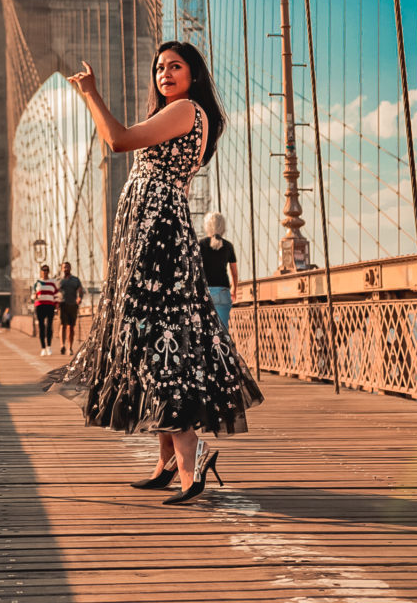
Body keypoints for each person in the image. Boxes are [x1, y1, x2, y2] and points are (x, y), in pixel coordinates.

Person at [44, 41, 263, 505]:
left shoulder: (185, 110)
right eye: (159, 67)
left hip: (156, 236)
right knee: (149, 336)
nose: (164, 73)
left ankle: (191, 457)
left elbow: (119, 140)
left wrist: (90, 95)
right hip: (151, 232)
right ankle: (166, 460)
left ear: (194, 75)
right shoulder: (184, 114)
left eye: (175, 66)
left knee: (159, 337)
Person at [199, 213, 238, 329]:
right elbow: (234, 273)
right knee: (223, 329)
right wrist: (234, 290)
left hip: (206, 292)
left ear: (207, 226)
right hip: (223, 292)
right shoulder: (228, 246)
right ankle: (223, 346)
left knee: (206, 329)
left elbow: (195, 270)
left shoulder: (200, 245)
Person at [58, 261, 85, 355]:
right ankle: (62, 346)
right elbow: (54, 292)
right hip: (62, 305)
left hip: (73, 305)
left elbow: (81, 290)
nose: (66, 269)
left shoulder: (75, 280)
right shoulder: (58, 280)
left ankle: (70, 347)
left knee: (71, 327)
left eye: (67, 267)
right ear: (62, 269)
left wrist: (79, 298)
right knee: (63, 325)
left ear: (70, 268)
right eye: (64, 267)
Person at [32, 264, 58, 356]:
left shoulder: (53, 282)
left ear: (49, 271)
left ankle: (49, 347)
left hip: (50, 306)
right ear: (40, 272)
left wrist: (56, 305)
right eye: (43, 270)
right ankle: (43, 348)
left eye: (46, 270)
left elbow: (56, 295)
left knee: (49, 326)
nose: (45, 271)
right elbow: (32, 295)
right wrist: (34, 296)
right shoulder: (37, 282)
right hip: (40, 306)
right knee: (41, 327)